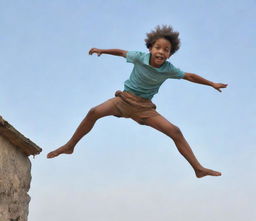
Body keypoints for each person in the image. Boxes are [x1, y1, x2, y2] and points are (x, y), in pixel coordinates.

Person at [47, 25, 227, 178]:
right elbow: (120, 52)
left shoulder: (168, 69)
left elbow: (190, 76)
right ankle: (70, 146)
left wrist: (211, 83)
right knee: (93, 112)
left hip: (144, 110)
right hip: (123, 101)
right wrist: (102, 50)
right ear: (150, 48)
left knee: (175, 131)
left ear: (169, 55)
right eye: (158, 47)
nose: (161, 52)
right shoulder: (139, 57)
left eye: (166, 50)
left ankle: (198, 169)